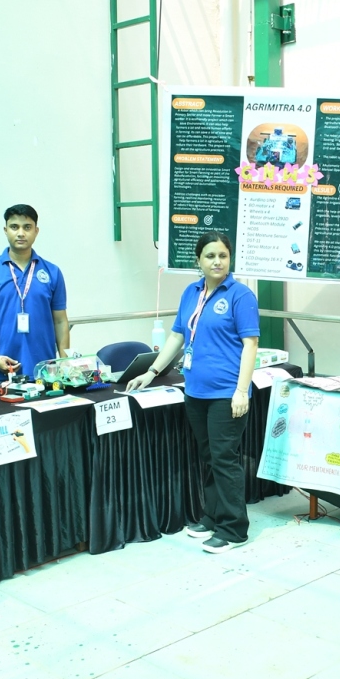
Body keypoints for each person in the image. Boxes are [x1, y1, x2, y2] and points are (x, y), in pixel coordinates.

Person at [126, 232, 259, 553]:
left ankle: (234, 529)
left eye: (223, 256)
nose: (217, 262)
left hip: (227, 393)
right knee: (209, 457)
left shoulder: (241, 295)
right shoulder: (192, 292)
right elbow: (177, 336)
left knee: (224, 459)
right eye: (210, 256)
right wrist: (151, 371)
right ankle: (213, 516)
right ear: (198, 260)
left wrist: (242, 391)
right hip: (196, 391)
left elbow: (250, 344)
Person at [0, 204, 69, 387]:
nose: (21, 233)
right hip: (2, 371)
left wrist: (64, 362)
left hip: (46, 373)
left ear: (36, 231)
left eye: (27, 227)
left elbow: (60, 321)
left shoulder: (52, 272)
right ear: (5, 230)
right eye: (14, 227)